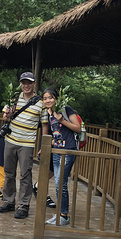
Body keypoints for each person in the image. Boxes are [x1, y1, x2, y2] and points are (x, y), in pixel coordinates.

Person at [0, 71, 49, 219]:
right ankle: (8, 201)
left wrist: (43, 145)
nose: (26, 85)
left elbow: (44, 125)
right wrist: (7, 116)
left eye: (29, 83)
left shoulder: (41, 103)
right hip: (10, 140)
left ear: (34, 84)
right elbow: (6, 118)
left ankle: (23, 205)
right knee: (9, 172)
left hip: (27, 143)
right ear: (20, 84)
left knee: (25, 174)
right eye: (24, 83)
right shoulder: (13, 98)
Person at [41, 88, 81, 226]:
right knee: (58, 183)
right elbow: (56, 134)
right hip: (56, 150)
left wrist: (62, 120)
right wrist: (46, 146)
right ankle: (61, 213)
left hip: (68, 150)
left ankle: (63, 215)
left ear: (57, 98)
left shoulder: (66, 109)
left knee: (60, 183)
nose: (48, 100)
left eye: (50, 97)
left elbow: (77, 128)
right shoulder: (48, 113)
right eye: (45, 98)